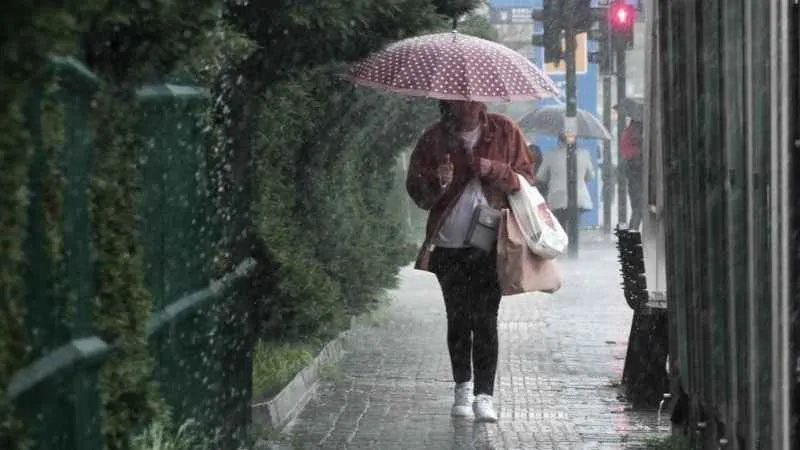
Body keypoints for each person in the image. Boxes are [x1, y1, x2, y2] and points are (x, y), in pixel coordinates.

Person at [406, 100, 533, 423]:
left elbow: (526, 180)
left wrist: (494, 170)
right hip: (448, 245)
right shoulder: (434, 137)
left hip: (490, 243)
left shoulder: (505, 131)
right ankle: (462, 388)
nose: (467, 105)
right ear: (449, 103)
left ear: (482, 101)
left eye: (473, 99)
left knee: (486, 319)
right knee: (458, 318)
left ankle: (484, 396)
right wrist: (438, 180)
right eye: (460, 100)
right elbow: (418, 192)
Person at [535, 132, 595, 233]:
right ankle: (573, 240)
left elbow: (541, 177)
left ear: (559, 139)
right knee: (574, 226)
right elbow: (590, 176)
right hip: (578, 198)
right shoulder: (584, 154)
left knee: (560, 228)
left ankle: (564, 239)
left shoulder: (551, 154)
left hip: (557, 199)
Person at [620, 119, 644, 230]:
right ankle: (632, 233)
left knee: (636, 209)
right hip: (636, 178)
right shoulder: (634, 133)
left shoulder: (628, 132)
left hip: (633, 179)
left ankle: (632, 234)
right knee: (638, 209)